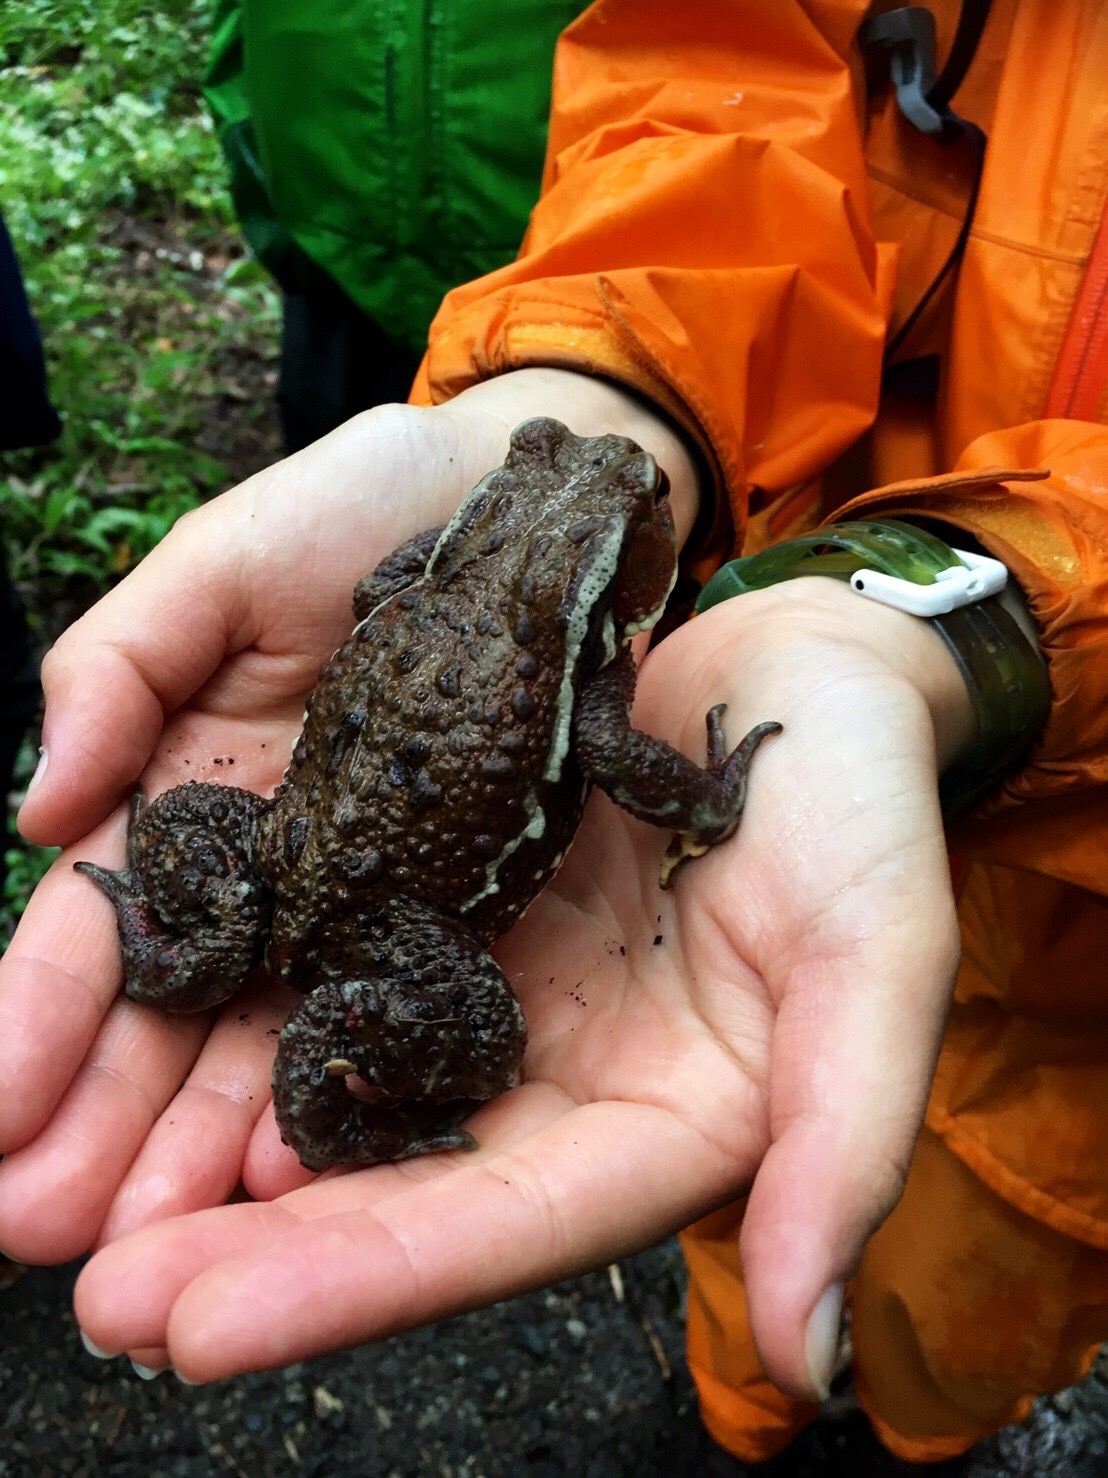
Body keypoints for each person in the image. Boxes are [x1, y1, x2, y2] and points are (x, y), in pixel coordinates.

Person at [0, 1, 1106, 1468]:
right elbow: (631, 761)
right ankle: (727, 1378)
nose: (616, 484)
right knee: (498, 1034)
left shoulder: (456, 593)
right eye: (575, 476)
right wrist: (710, 781)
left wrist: (851, 682)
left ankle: (799, 1404)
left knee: (218, 850)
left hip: (304, 846)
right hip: (383, 906)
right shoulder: (549, 653)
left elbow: (446, 620)